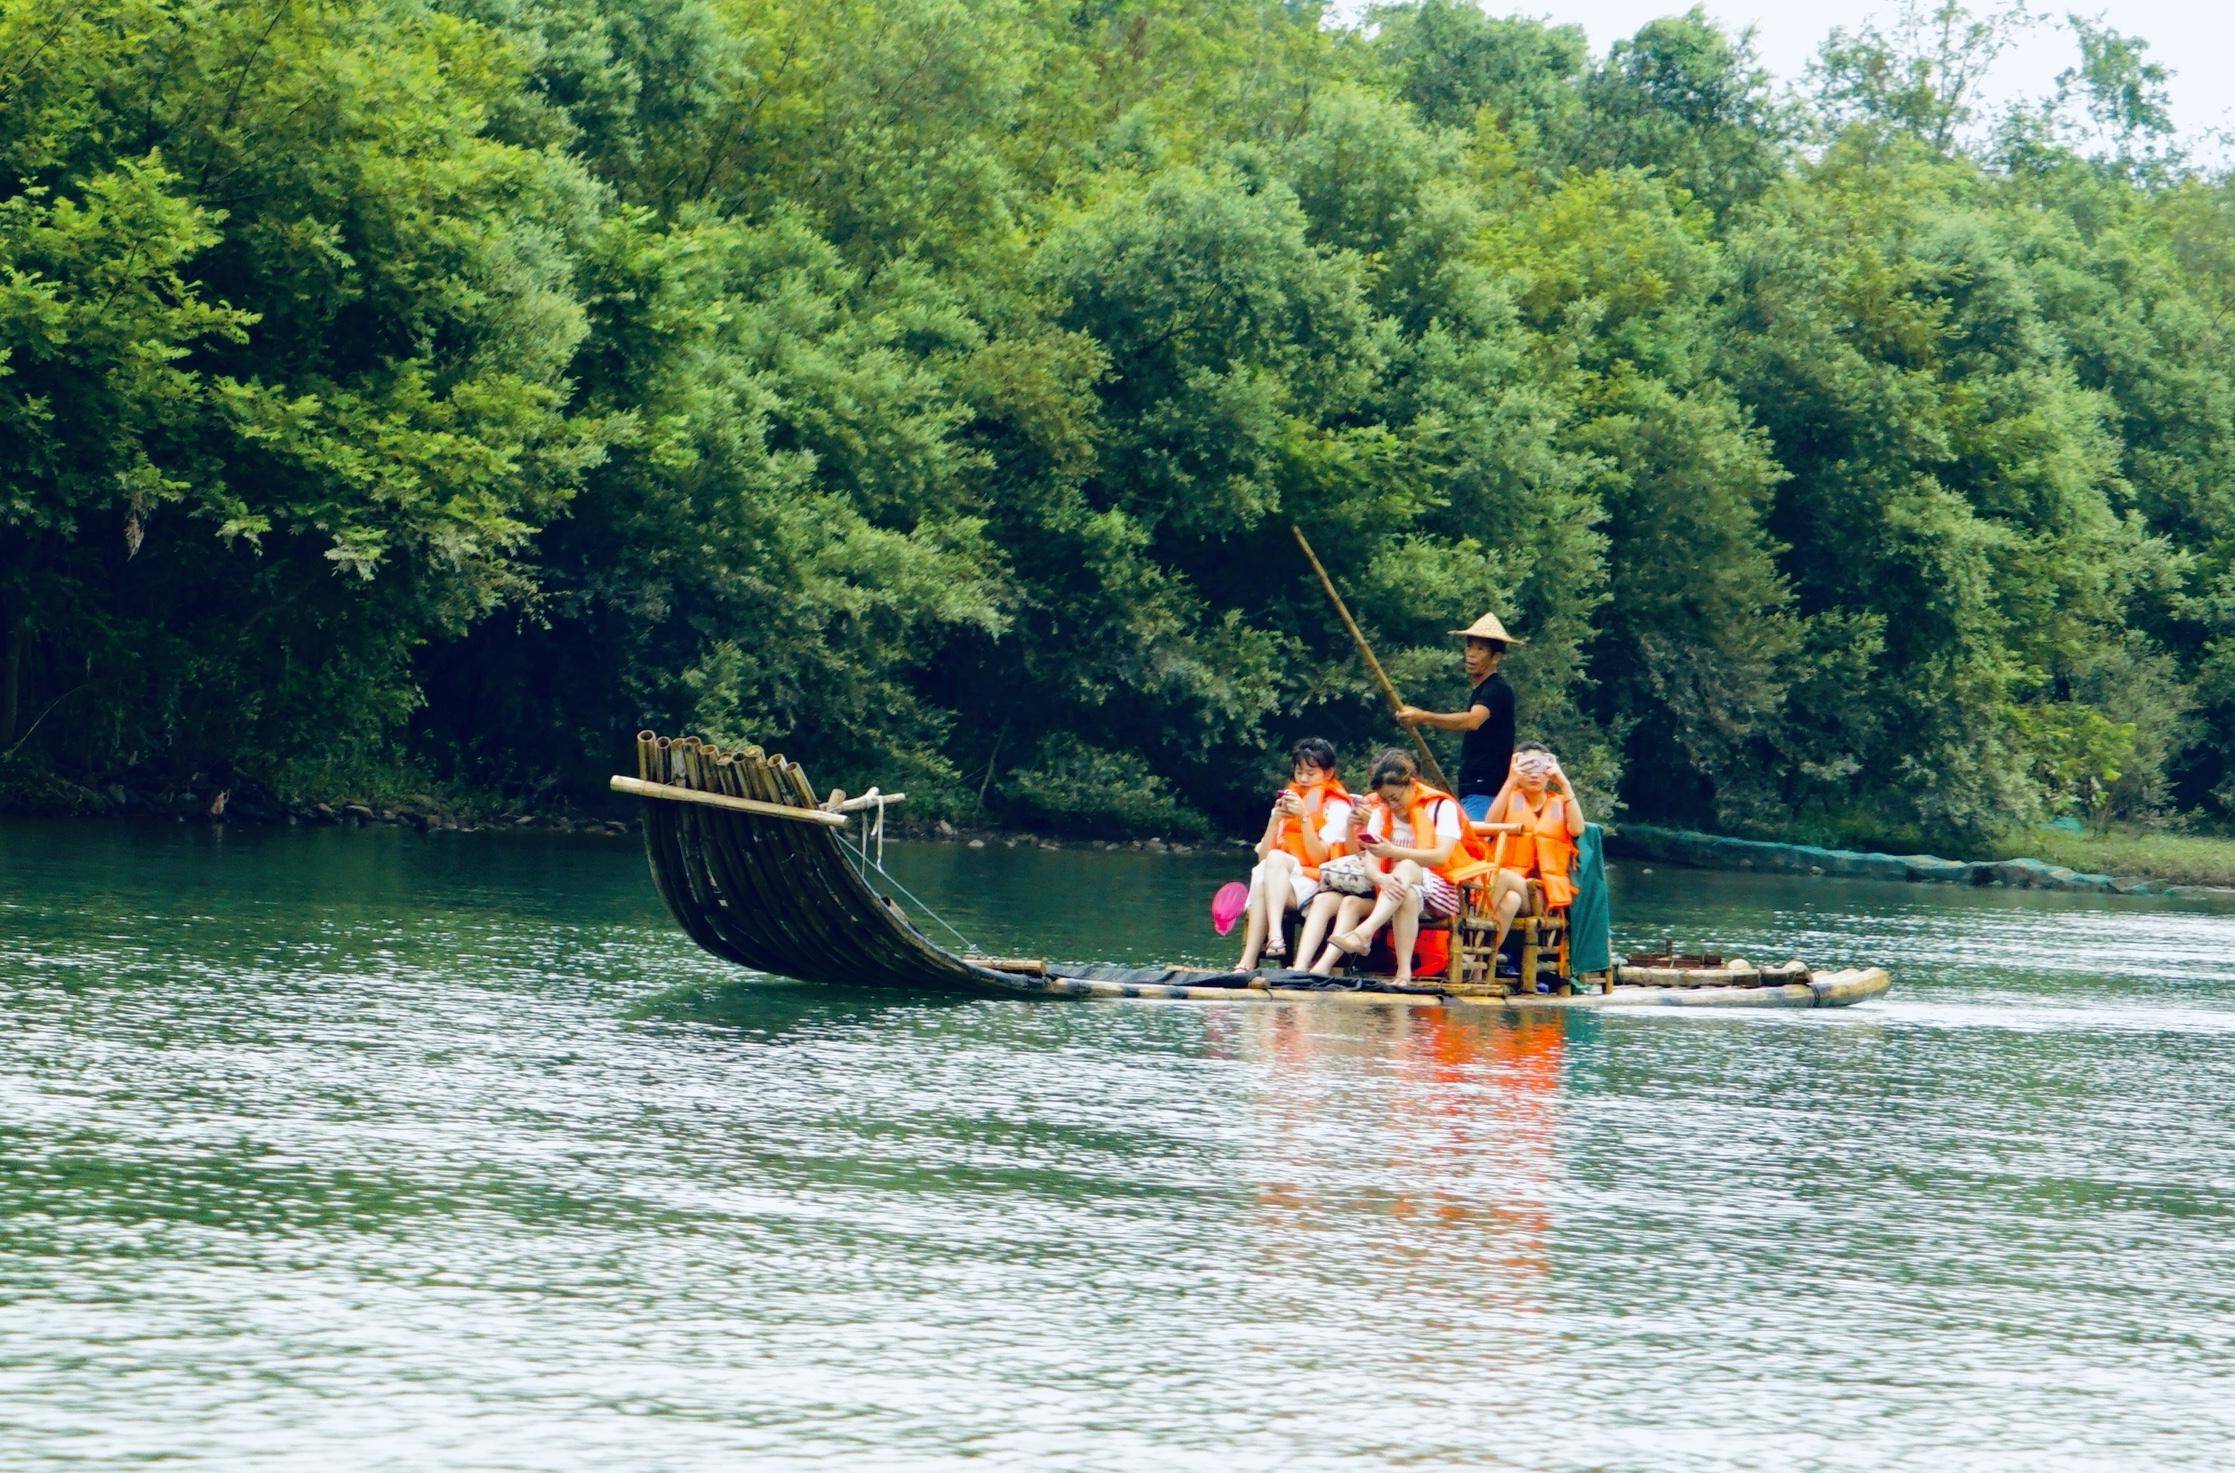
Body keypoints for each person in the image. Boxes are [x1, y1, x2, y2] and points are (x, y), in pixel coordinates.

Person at [1304, 749, 1479, 986]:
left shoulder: (1440, 807)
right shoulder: (1381, 813)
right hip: (1397, 890)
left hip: (1442, 892)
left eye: (1396, 797)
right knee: (1355, 901)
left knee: (1406, 865)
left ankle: (1365, 933)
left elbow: (1440, 856)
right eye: (1385, 799)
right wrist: (1380, 878)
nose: (1392, 805)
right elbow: (1371, 864)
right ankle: (1324, 967)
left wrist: (1394, 853)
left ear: (1411, 784)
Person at [1236, 739, 1353, 969]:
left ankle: (1265, 946)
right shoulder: (1289, 799)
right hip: (1282, 880)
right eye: (1299, 772)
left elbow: (1319, 858)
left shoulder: (1337, 807)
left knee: (1270, 870)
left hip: (1316, 881)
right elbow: (1264, 859)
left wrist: (1304, 818)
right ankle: (1253, 957)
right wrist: (1274, 821)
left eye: (1311, 773)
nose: (1303, 779)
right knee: (1266, 871)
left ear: (1328, 773)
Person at [1395, 612, 1521, 823]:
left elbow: (1472, 720)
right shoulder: (1480, 690)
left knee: (1476, 847)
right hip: (1474, 787)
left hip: (1486, 788)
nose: (1471, 654)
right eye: (1469, 647)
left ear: (1496, 657)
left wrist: (1423, 717)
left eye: (1480, 649)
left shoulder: (1497, 689)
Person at [1479, 741, 1586, 971]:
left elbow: (1577, 829)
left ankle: (1472, 940)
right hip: (1514, 890)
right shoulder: (1510, 796)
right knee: (1510, 901)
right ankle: (1480, 962)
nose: (1534, 775)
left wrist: (1564, 783)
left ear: (1549, 771)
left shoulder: (1559, 802)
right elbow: (1490, 825)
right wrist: (1510, 780)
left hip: (1543, 895)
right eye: (1527, 768)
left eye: (1540, 769)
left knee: (1503, 877)